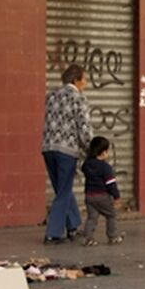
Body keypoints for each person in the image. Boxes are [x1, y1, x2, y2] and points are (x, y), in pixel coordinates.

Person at [42, 63, 92, 243]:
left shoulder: (51, 96)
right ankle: (53, 232)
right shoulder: (79, 99)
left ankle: (73, 225)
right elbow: (83, 127)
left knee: (62, 187)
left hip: (48, 148)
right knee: (63, 191)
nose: (85, 83)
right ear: (76, 80)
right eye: (84, 79)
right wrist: (90, 149)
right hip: (66, 150)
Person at [82, 136, 123, 246]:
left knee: (92, 218)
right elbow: (110, 184)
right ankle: (113, 236)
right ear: (103, 152)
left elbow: (83, 168)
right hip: (102, 196)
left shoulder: (87, 165)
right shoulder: (105, 168)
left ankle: (88, 238)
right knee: (111, 215)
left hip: (89, 196)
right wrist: (116, 196)